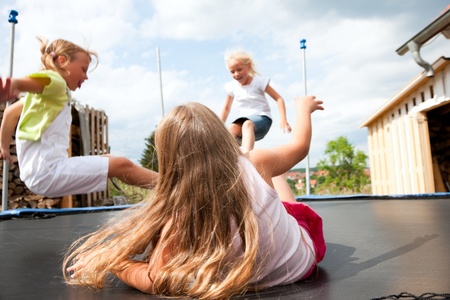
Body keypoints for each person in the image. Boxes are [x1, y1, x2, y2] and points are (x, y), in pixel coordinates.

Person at [63, 95, 325, 299]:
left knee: (279, 196)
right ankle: (245, 149)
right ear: (222, 139)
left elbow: (154, 280)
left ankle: (247, 151)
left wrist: (115, 261)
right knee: (279, 193)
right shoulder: (257, 163)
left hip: (260, 272)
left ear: (168, 160)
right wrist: (303, 108)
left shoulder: (178, 217)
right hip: (300, 263)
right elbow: (300, 146)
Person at [0, 37, 157, 198]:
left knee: (110, 159)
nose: (86, 76)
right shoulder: (56, 82)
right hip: (48, 173)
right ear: (62, 61)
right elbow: (36, 82)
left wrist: (4, 147)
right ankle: (172, 185)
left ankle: (166, 186)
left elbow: (9, 113)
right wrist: (14, 84)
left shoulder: (42, 99)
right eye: (83, 69)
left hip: (40, 173)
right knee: (122, 164)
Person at [220, 49, 291, 153]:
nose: (236, 74)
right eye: (232, 71)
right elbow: (226, 108)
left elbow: (279, 98)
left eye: (239, 69)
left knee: (247, 124)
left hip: (262, 119)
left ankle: (247, 159)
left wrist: (283, 119)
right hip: (243, 122)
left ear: (249, 66)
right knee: (231, 129)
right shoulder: (232, 87)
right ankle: (228, 158)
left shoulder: (259, 82)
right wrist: (219, 125)